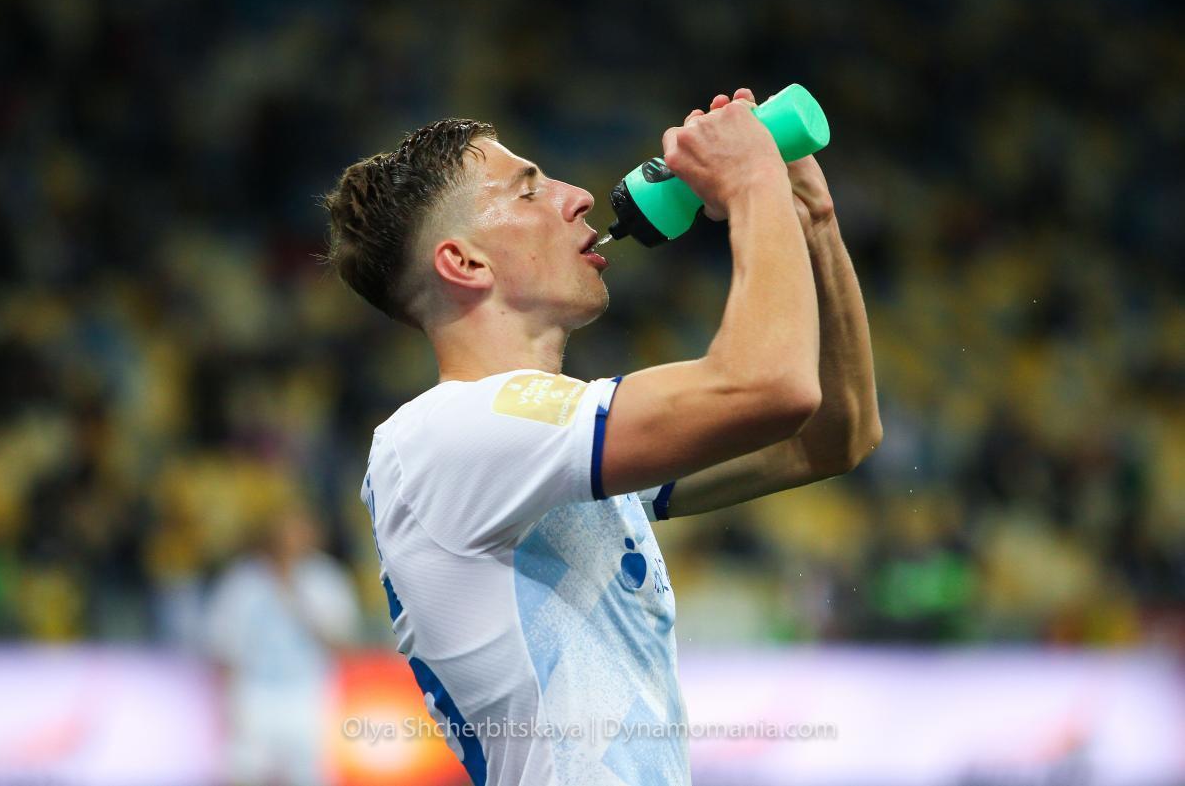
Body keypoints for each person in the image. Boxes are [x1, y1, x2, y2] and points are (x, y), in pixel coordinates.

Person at [322, 87, 881, 786]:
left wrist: (810, 219)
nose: (580, 196)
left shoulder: (547, 452)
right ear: (464, 263)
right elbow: (770, 387)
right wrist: (750, 181)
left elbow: (830, 437)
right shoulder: (446, 435)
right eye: (529, 191)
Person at [203, 506, 361, 786]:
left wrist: (296, 598)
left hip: (306, 695)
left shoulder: (325, 579)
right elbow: (224, 647)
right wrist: (230, 703)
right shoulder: (243, 581)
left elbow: (341, 643)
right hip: (254, 694)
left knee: (307, 775)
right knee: (246, 773)